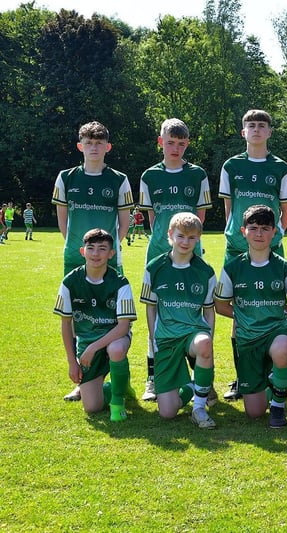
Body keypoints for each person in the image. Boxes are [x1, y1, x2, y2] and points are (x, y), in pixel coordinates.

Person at [52, 121, 134, 402]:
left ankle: (116, 369)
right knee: (78, 318)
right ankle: (83, 377)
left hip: (109, 259)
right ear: (80, 146)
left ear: (107, 147)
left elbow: (123, 224)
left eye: (99, 143)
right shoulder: (66, 177)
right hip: (76, 257)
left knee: (111, 315)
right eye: (89, 143)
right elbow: (63, 219)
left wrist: (109, 250)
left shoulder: (119, 179)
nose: (94, 147)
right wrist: (79, 248)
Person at [219, 110, 287, 402]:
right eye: (250, 126)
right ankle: (243, 377)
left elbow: (286, 209)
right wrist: (240, 236)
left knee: (270, 305)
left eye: (261, 126)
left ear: (269, 132)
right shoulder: (231, 166)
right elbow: (229, 208)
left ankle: (275, 364)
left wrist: (272, 237)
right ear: (243, 132)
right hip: (237, 248)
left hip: (271, 248)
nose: (255, 130)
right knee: (239, 312)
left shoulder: (280, 167)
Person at [214, 205, 287, 428]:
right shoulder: (232, 267)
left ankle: (278, 404)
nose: (259, 234)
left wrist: (276, 311)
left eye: (265, 228)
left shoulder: (284, 268)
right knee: (254, 413)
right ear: (242, 231)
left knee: (282, 348)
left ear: (275, 232)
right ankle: (272, 383)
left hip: (277, 331)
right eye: (253, 228)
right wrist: (244, 315)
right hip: (247, 339)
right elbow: (220, 305)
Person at [138, 118, 212, 402]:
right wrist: (166, 243)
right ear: (161, 142)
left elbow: (199, 219)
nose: (175, 148)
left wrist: (190, 245)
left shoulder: (198, 174)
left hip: (191, 254)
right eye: (170, 143)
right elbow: (153, 219)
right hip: (159, 252)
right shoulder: (149, 176)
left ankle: (200, 378)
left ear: (187, 145)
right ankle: (153, 378)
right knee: (155, 315)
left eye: (181, 144)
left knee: (191, 311)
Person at [140, 212, 217, 429]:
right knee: (167, 412)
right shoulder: (154, 268)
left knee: (203, 343)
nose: (186, 242)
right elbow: (150, 308)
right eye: (181, 236)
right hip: (166, 337)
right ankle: (194, 386)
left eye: (192, 237)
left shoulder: (205, 271)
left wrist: (208, 340)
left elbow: (209, 311)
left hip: (193, 332)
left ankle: (199, 408)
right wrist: (154, 338)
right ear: (170, 235)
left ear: (199, 238)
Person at [53, 229, 135, 421]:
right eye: (91, 248)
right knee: (92, 408)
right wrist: (72, 361)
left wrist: (94, 347)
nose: (96, 254)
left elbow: (123, 327)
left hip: (114, 337)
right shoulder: (70, 282)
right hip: (86, 342)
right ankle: (117, 385)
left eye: (102, 249)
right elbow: (65, 324)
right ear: (83, 252)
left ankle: (118, 401)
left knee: (115, 349)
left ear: (111, 254)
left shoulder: (120, 283)